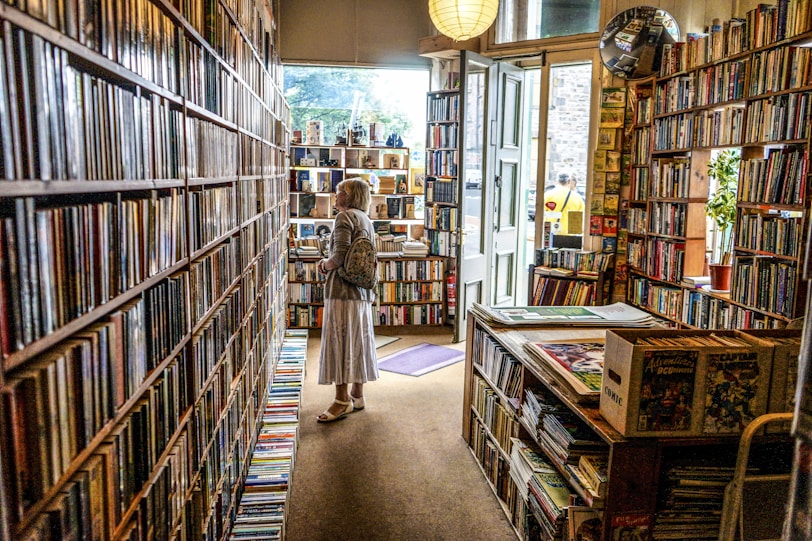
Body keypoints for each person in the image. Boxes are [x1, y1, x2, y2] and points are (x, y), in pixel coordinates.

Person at [315, 177, 379, 422]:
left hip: (342, 292)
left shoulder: (344, 217)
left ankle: (342, 401)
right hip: (361, 291)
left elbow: (339, 256)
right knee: (358, 341)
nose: (336, 193)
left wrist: (323, 265)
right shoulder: (366, 219)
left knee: (339, 343)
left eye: (340, 191)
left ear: (349, 196)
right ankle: (357, 395)